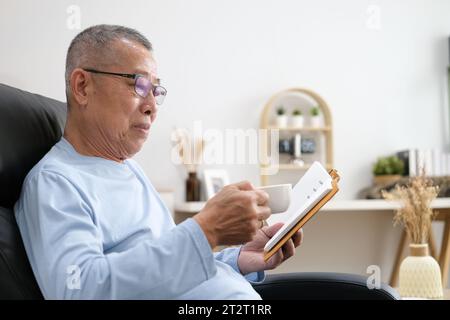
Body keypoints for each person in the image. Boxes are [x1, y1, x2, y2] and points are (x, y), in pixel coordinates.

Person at [14, 24, 303, 299]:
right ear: (82, 86)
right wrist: (206, 231)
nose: (152, 106)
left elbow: (165, 276)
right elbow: (80, 290)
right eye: (138, 85)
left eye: (156, 90)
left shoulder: (127, 168)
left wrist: (238, 258)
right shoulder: (54, 182)